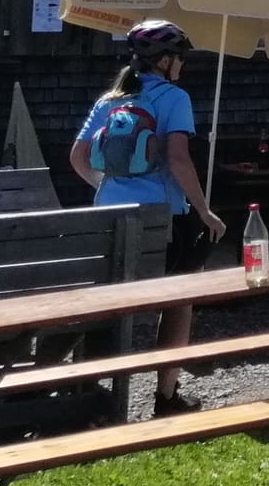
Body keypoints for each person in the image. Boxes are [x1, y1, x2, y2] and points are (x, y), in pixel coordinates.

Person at [69, 20, 227, 416]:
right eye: (181, 58)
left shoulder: (109, 100)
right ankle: (166, 395)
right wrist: (205, 210)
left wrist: (109, 187)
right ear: (166, 61)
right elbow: (177, 158)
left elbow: (78, 158)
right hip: (162, 218)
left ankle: (88, 394)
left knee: (106, 304)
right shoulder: (174, 98)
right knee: (178, 299)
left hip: (109, 216)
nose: (184, 65)